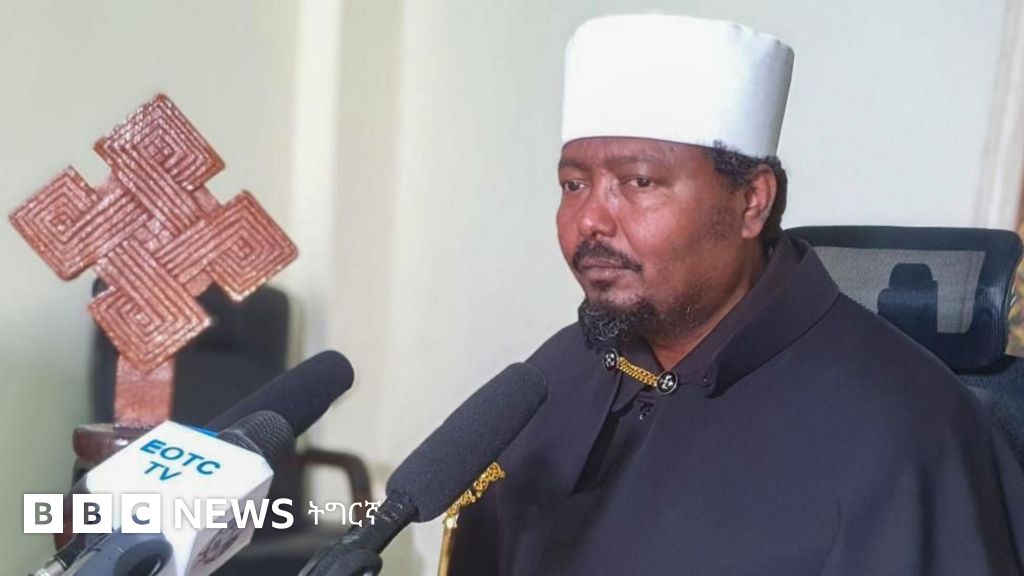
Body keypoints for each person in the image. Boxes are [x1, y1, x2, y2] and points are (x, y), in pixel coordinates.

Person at [448, 13, 1024, 575]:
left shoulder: (908, 433)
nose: (590, 219)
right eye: (574, 184)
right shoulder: (557, 373)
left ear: (751, 201)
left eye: (639, 182)